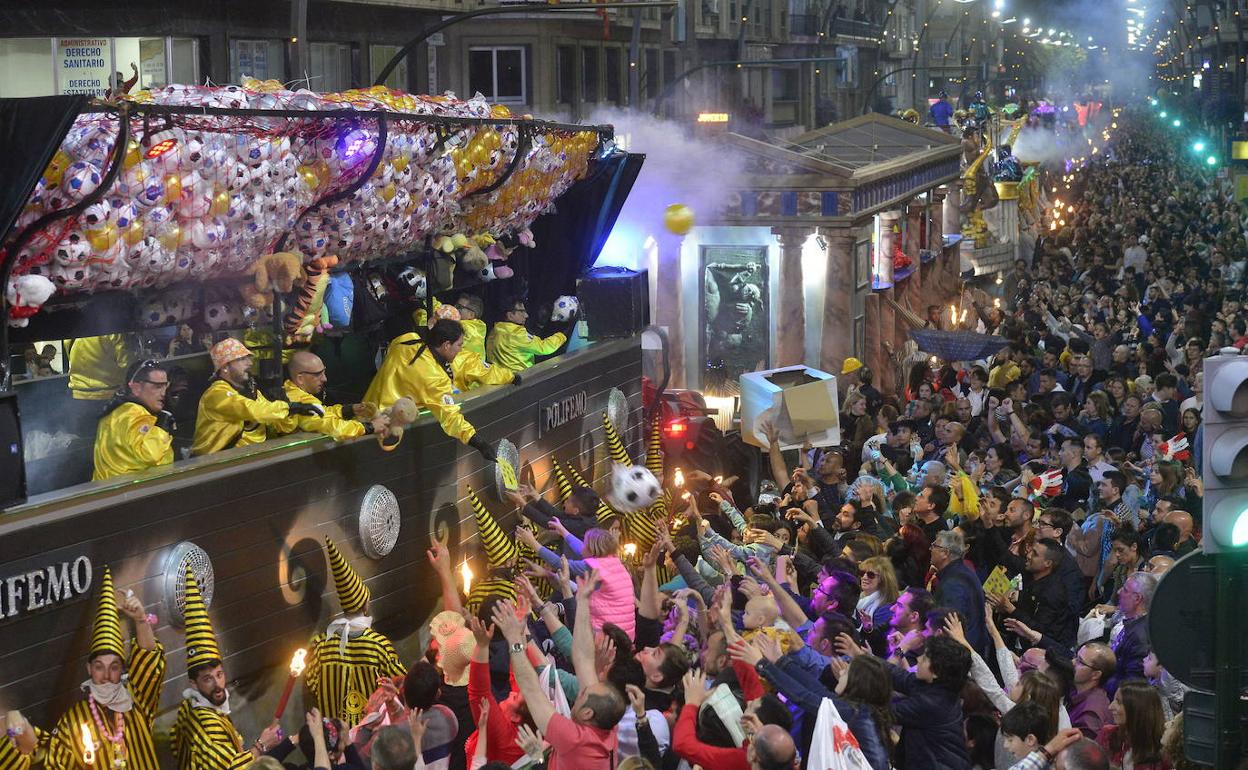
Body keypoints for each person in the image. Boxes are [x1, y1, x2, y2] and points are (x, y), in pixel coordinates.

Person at [491, 571, 625, 770]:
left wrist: (514, 639)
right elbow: (583, 659)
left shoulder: (576, 739)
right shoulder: (606, 722)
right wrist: (581, 602)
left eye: (583, 693)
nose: (582, 688)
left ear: (588, 713)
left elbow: (532, 691)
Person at [47, 567, 166, 770]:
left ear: (122, 671)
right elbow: (55, 765)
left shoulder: (136, 701)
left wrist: (140, 620)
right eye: (99, 667)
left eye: (114, 667)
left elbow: (150, 663)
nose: (106, 676)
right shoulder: (72, 720)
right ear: (89, 669)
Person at [172, 568, 283, 769]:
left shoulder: (188, 707)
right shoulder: (205, 722)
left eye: (219, 675)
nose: (218, 685)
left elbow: (175, 741)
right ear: (193, 684)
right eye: (207, 679)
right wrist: (261, 745)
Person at [363, 319, 501, 459]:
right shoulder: (434, 377)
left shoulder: (406, 340)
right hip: (384, 432)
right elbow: (450, 417)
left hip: (364, 415)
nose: (461, 350)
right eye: (459, 345)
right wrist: (479, 443)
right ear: (446, 345)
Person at [306, 537, 406, 726]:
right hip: (370, 732)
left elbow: (311, 683)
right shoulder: (379, 645)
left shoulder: (321, 646)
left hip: (336, 737)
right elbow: (400, 684)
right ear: (365, 607)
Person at [192, 339, 316, 456]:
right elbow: (251, 409)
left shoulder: (250, 391)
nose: (250, 363)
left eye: (248, 358)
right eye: (241, 359)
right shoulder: (216, 394)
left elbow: (284, 426)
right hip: (214, 467)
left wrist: (286, 405)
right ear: (224, 367)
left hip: (250, 460)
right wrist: (289, 408)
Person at [273, 351, 388, 440]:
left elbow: (320, 412)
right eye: (318, 374)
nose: (324, 379)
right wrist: (369, 427)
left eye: (324, 372)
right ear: (300, 378)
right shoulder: (300, 400)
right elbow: (330, 426)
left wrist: (347, 410)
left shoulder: (290, 390)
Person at [92, 360, 175, 481]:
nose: (163, 393)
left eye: (165, 386)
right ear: (136, 387)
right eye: (157, 387)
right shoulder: (136, 415)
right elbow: (151, 454)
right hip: (134, 491)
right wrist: (161, 428)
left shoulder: (116, 411)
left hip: (109, 490)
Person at [930, 530, 988, 654]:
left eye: (934, 546)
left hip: (962, 654)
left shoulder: (952, 585)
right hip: (974, 648)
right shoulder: (964, 571)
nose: (931, 549)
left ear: (945, 553)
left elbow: (950, 627)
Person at [1096, 681, 1170, 770]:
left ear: (1138, 709)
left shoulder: (1164, 747)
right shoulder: (1107, 734)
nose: (1110, 707)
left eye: (1118, 702)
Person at [486, 297, 570, 373]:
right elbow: (544, 348)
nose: (526, 315)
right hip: (521, 379)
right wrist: (562, 335)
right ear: (510, 315)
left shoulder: (494, 331)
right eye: (521, 311)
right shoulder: (516, 334)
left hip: (501, 381)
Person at [1107, 572, 1156, 697]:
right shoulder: (1134, 625)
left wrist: (1099, 680)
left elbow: (1132, 686)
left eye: (1125, 589)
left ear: (1137, 598)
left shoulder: (1140, 637)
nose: (1118, 592)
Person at [1068, 643, 1115, 739]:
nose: (1072, 662)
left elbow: (1080, 752)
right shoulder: (1076, 690)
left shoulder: (1090, 715)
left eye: (1080, 662)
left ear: (1096, 675)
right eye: (1075, 657)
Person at [68, 334, 131, 402]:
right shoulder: (112, 331)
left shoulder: (71, 334)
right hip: (108, 394)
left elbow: (71, 360)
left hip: (77, 394)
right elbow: (126, 363)